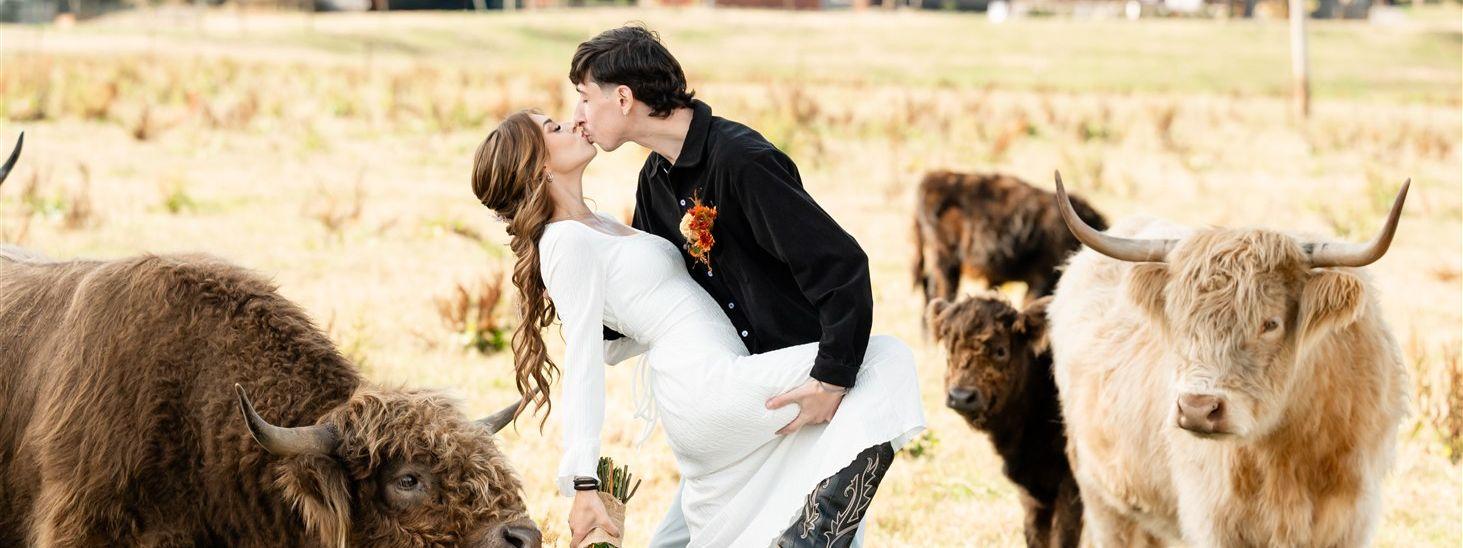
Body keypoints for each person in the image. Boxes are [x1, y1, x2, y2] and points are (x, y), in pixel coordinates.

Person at [472, 28, 924, 548]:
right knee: (884, 361)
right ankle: (813, 539)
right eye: (558, 122)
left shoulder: (728, 164)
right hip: (708, 386)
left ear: (624, 99)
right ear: (539, 165)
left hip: (736, 374)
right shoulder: (579, 233)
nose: (576, 117)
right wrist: (582, 481)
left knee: (709, 532)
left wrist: (827, 380)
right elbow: (585, 361)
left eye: (583, 98)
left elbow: (622, 331)